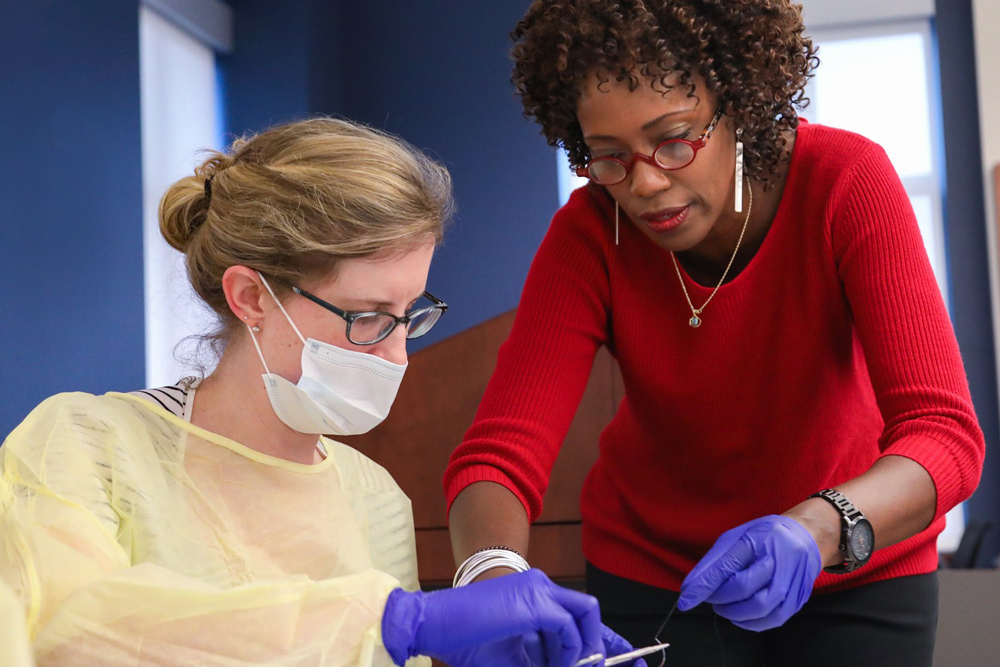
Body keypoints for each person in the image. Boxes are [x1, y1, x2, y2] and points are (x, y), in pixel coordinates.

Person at [443, 2, 986, 666]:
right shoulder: (591, 233)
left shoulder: (846, 181)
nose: (643, 183)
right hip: (660, 577)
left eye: (674, 140)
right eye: (607, 156)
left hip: (855, 561)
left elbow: (944, 433)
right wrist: (492, 577)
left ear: (742, 104)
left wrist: (818, 525)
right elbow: (497, 456)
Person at [0, 118, 630, 667]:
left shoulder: (373, 496)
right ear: (252, 297)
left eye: (411, 312)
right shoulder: (90, 446)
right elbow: (67, 636)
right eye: (367, 316)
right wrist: (390, 623)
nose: (396, 352)